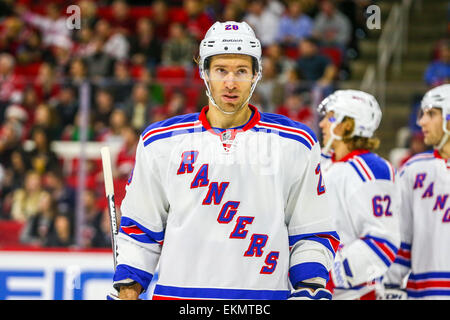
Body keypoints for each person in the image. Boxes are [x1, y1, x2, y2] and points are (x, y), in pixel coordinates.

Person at [109, 21, 339, 300]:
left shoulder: (295, 143)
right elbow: (141, 229)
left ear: (256, 75)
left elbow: (311, 230)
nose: (231, 83)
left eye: (241, 71)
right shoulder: (160, 142)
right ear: (204, 73)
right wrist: (128, 290)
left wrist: (310, 287)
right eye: (221, 70)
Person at [317, 89, 400, 300]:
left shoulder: (371, 169)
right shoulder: (325, 165)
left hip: (354, 294)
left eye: (330, 117)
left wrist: (329, 276)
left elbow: (382, 241)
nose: (322, 124)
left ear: (347, 124)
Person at [382, 84, 450, 299]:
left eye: (431, 114)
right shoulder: (414, 170)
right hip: (424, 292)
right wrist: (390, 285)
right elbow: (401, 236)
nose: (422, 121)